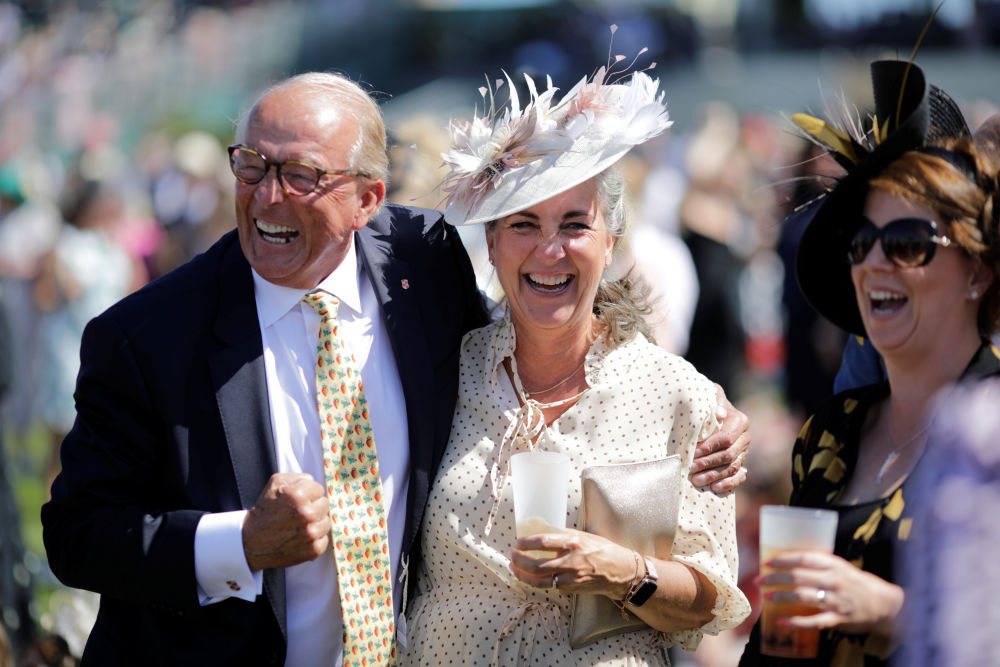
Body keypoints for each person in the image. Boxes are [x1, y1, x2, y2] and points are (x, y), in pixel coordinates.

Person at [41, 71, 750, 667]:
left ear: (368, 200)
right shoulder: (148, 335)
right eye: (252, 165)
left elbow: (549, 336)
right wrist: (236, 543)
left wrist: (699, 410)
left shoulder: (422, 267)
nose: (268, 197)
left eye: (302, 175)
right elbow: (76, 535)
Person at [399, 56, 751, 666]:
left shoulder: (678, 395)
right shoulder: (444, 369)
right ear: (492, 241)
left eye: (575, 224)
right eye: (524, 224)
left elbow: (709, 598)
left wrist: (622, 571)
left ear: (611, 240)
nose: (550, 249)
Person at [738, 61, 1000, 666]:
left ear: (978, 271)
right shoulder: (833, 430)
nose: (875, 261)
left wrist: (888, 609)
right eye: (863, 243)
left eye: (908, 243)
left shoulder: (990, 432)